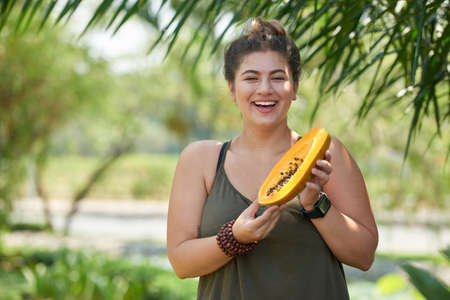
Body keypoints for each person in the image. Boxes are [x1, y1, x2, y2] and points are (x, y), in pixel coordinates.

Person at [167, 17, 378, 300]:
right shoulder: (201, 160)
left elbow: (364, 256)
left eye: (278, 78)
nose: (265, 89)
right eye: (251, 78)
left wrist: (315, 204)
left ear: (294, 87)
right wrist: (235, 239)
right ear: (232, 88)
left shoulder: (327, 154)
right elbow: (181, 262)